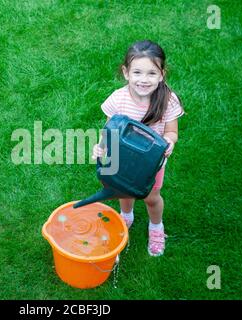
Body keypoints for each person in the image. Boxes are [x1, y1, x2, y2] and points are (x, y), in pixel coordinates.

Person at [92, 40, 184, 256]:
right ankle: (126, 215)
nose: (144, 79)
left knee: (151, 197)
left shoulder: (168, 100)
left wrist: (170, 141)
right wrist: (102, 146)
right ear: (126, 72)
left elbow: (172, 132)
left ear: (162, 74)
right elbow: (109, 128)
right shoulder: (118, 99)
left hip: (151, 163)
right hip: (124, 158)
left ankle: (156, 228)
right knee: (124, 190)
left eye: (151, 73)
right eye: (137, 72)